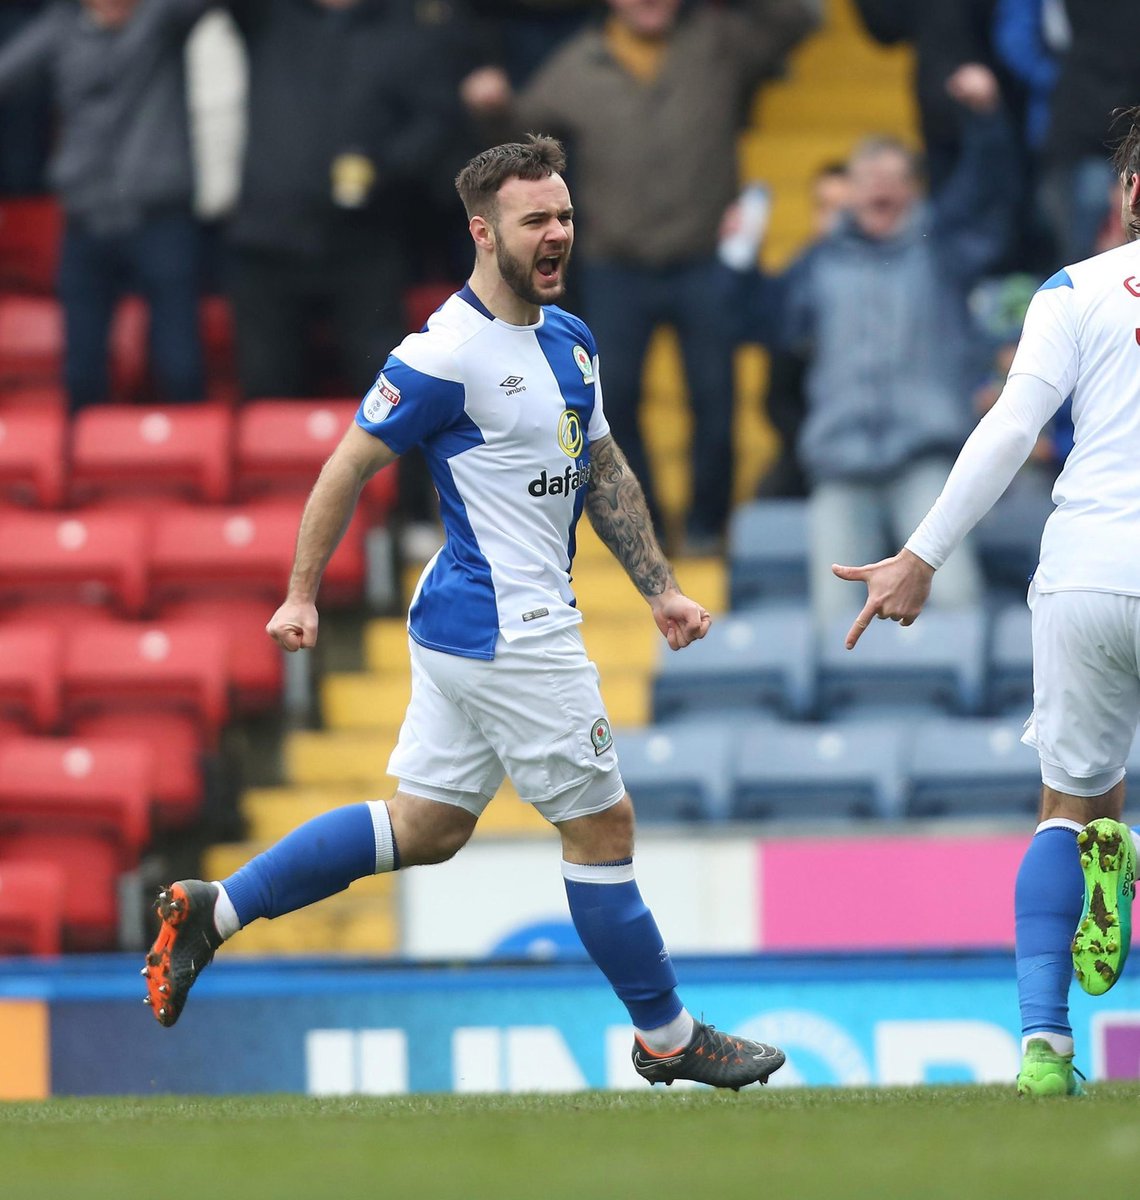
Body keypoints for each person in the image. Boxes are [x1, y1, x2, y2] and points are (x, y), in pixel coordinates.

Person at [143, 135, 786, 1092]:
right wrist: (302, 593)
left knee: (429, 828)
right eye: (538, 220)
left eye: (565, 214)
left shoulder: (572, 340)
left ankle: (217, 908)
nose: (558, 233)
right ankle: (667, 1035)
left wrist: (659, 590)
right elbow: (344, 468)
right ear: (485, 234)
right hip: (509, 631)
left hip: (469, 628)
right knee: (603, 827)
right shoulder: (443, 355)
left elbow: (600, 468)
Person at [831, 108, 1140, 1097]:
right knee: (1098, 808)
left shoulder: (1073, 290)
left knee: (1066, 805)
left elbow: (1011, 428)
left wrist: (919, 554)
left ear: (1126, 194)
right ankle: (1116, 851)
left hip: (1091, 568)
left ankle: (1046, 1047)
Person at [462, 0, 821, 554]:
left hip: (705, 259)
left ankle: (707, 527)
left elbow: (801, 19)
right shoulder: (579, 62)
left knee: (716, 399)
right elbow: (518, 142)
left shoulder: (719, 41)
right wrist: (493, 110)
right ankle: (649, 525)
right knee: (617, 404)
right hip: (614, 266)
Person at [781, 87, 1014, 629]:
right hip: (840, 465)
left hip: (925, 461)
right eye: (868, 180)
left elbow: (991, 196)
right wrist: (737, 257)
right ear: (849, 193)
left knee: (954, 604)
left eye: (894, 178)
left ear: (914, 189)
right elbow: (766, 332)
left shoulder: (942, 249)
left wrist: (985, 122)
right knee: (834, 621)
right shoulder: (815, 263)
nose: (882, 189)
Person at [0, 0, 210, 411]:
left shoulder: (162, 16)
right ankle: (83, 467)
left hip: (160, 218)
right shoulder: (60, 27)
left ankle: (184, 455)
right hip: (86, 219)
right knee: (81, 373)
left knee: (181, 366)